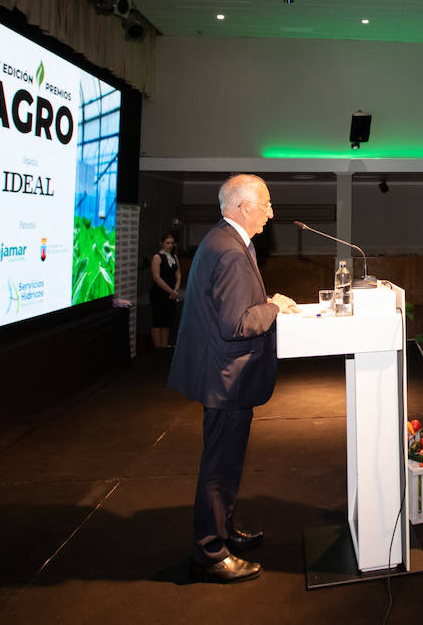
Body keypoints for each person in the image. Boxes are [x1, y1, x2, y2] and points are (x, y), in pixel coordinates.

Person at [168, 174, 301, 584]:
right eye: (266, 204)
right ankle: (210, 552)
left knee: (226, 463)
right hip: (226, 377)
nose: (271, 212)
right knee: (219, 467)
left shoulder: (226, 241)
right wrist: (274, 306)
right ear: (243, 207)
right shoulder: (229, 250)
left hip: (225, 374)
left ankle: (223, 532)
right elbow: (237, 323)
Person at [149, 232, 182, 349]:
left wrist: (176, 289)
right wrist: (170, 291)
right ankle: (158, 348)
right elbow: (156, 278)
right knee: (158, 320)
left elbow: (178, 274)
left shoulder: (174, 257)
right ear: (162, 244)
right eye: (167, 243)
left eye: (172, 243)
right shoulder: (157, 257)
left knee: (167, 320)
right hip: (159, 293)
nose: (170, 245)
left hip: (171, 294)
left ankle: (164, 346)